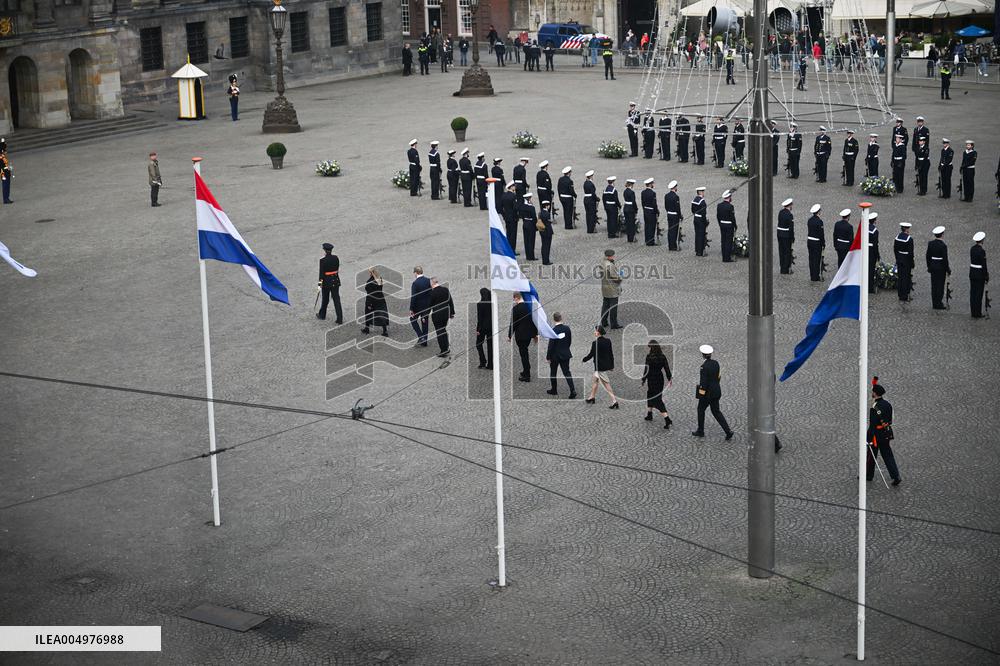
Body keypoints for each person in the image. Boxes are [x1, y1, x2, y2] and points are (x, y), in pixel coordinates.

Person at [692, 344, 734, 440]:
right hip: (716, 391)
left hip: (708, 394)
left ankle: (700, 430)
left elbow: (703, 383)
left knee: (700, 410)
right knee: (716, 412)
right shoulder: (716, 363)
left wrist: (701, 395)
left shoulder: (703, 367)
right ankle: (728, 431)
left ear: (703, 354)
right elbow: (719, 376)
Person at [866, 382, 901, 485]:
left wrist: (869, 437)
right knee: (888, 455)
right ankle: (896, 476)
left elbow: (872, 424)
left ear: (875, 393)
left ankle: (868, 475)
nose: (872, 393)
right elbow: (890, 420)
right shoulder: (888, 404)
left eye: (873, 392)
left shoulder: (874, 407)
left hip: (876, 434)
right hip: (885, 433)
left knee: (871, 455)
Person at [582, 326, 618, 408]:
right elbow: (611, 354)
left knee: (606, 384)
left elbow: (591, 354)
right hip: (603, 366)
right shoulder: (608, 341)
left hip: (599, 368)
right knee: (595, 381)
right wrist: (612, 365)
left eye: (595, 331)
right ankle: (592, 397)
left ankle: (614, 401)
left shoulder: (595, 343)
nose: (594, 332)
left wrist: (584, 359)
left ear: (598, 332)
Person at [641, 340, 673, 427]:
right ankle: (649, 413)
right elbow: (667, 368)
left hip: (652, 379)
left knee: (656, 399)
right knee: (651, 395)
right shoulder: (662, 356)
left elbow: (646, 370)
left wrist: (643, 379)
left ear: (651, 348)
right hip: (659, 378)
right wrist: (669, 379)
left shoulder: (649, 357)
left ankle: (667, 419)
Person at [508, 292, 538, 381]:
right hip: (528, 335)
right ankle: (525, 371)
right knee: (525, 353)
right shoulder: (529, 307)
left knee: (524, 355)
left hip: (520, 336)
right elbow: (534, 321)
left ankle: (527, 374)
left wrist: (509, 335)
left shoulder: (515, 309)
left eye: (514, 299)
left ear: (516, 298)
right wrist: (535, 335)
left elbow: (513, 323)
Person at [546, 313, 576, 398]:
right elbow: (569, 340)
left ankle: (554, 389)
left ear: (554, 319)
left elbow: (551, 346)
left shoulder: (553, 331)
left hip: (555, 356)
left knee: (553, 373)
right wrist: (566, 349)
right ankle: (572, 390)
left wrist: (548, 357)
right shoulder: (567, 329)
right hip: (565, 354)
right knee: (567, 372)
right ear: (561, 318)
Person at [428, 277, 455, 357]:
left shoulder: (432, 293)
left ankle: (443, 350)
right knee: (443, 330)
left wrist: (424, 315)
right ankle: (446, 347)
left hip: (437, 315)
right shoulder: (445, 290)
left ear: (432, 283)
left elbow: (429, 306)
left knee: (439, 332)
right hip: (445, 314)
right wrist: (452, 313)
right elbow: (450, 301)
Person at [317, 243, 343, 323]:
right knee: (336, 299)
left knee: (325, 299)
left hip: (326, 282)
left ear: (324, 250)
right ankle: (339, 318)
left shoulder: (322, 260)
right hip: (335, 280)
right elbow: (337, 269)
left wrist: (319, 286)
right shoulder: (336, 258)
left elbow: (321, 275)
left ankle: (322, 315)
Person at [926, 225, 950, 310]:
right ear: (942, 235)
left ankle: (934, 302)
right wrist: (948, 269)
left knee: (934, 285)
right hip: (940, 268)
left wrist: (929, 266)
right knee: (940, 286)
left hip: (933, 266)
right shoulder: (943, 246)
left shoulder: (931, 244)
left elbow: (927, 256)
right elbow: (945, 259)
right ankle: (938, 303)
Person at [409, 266, 432, 345]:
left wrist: (411, 308)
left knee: (412, 320)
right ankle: (425, 340)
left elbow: (414, 297)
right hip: (427, 306)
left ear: (416, 273)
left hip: (418, 307)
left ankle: (421, 336)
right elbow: (431, 293)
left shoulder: (415, 283)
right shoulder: (428, 280)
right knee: (425, 322)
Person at [362, 267, 388, 336]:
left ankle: (367, 329)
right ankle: (385, 331)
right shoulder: (380, 279)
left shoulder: (370, 281)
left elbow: (370, 293)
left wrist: (369, 304)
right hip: (380, 299)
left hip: (372, 300)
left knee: (368, 314)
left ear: (371, 273)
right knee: (382, 314)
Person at [600, 249, 622, 329]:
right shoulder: (610, 265)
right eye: (613, 255)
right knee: (613, 307)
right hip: (612, 289)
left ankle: (604, 321)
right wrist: (620, 278)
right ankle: (614, 324)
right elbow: (615, 277)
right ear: (610, 256)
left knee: (605, 305)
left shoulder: (602, 262)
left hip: (604, 287)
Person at [894, 222, 915, 301]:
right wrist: (912, 262)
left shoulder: (897, 238)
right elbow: (911, 253)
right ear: (906, 229)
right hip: (906, 260)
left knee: (900, 277)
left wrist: (897, 258)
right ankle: (905, 295)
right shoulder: (909, 239)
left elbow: (895, 250)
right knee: (906, 278)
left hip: (899, 259)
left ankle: (900, 294)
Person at [970, 231, 988, 318]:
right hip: (979, 274)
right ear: (982, 240)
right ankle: (977, 312)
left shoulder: (972, 249)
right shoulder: (982, 251)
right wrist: (986, 275)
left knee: (973, 293)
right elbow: (983, 265)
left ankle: (973, 311)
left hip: (972, 272)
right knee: (978, 294)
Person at [475, 288, 494, 369]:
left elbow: (480, 318)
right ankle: (490, 364)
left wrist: (478, 329)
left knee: (478, 344)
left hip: (483, 327)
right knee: (490, 346)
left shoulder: (480, 304)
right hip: (491, 327)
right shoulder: (492, 303)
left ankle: (482, 361)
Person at [806, 204, 825, 281]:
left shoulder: (809, 220)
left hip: (809, 241)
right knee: (816, 259)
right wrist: (823, 243)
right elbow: (821, 234)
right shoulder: (819, 221)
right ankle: (815, 276)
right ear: (818, 212)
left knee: (811, 258)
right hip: (817, 242)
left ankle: (812, 275)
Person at [717, 189, 736, 262]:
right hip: (729, 225)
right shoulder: (730, 206)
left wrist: (720, 223)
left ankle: (723, 256)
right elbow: (732, 218)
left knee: (723, 241)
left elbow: (718, 216)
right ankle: (727, 258)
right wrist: (735, 225)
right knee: (728, 241)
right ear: (729, 197)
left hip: (722, 224)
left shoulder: (719, 205)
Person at [777, 198, 794, 274]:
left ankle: (782, 268)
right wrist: (792, 237)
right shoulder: (789, 215)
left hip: (779, 234)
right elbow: (791, 228)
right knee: (787, 252)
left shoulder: (781, 212)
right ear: (789, 205)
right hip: (786, 235)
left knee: (781, 251)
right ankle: (785, 269)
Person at [519, 191, 539, 261]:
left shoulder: (522, 206)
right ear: (529, 199)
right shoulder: (532, 208)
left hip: (525, 223)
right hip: (531, 224)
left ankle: (528, 256)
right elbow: (534, 218)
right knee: (531, 241)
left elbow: (521, 216)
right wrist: (536, 227)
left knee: (526, 240)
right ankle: (531, 256)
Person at [501, 182, 519, 254]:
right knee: (513, 235)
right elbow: (515, 208)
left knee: (508, 233)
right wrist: (517, 216)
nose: (515, 187)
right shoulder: (513, 196)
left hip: (507, 218)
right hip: (513, 218)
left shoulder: (504, 195)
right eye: (514, 186)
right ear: (511, 187)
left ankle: (508, 249)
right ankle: (512, 250)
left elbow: (500, 207)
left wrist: (504, 215)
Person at [665, 179, 682, 250]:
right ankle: (673, 246)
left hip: (669, 214)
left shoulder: (666, 195)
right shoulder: (676, 196)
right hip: (675, 215)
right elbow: (678, 208)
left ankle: (670, 245)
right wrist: (680, 216)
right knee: (674, 231)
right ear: (674, 187)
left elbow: (666, 206)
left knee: (670, 230)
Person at [691, 186, 708, 257]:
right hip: (701, 219)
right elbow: (704, 213)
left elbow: (692, 210)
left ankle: (697, 250)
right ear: (700, 192)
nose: (704, 193)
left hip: (695, 218)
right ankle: (701, 251)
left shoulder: (694, 200)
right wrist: (705, 222)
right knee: (701, 235)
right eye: (703, 191)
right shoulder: (702, 201)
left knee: (697, 235)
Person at [641, 178, 659, 246]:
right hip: (651, 211)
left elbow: (642, 202)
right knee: (652, 226)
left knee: (647, 226)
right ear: (650, 184)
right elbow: (654, 204)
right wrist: (657, 211)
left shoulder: (643, 192)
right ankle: (651, 241)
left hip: (646, 210)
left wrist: (644, 210)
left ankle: (647, 240)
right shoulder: (653, 193)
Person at [867, 212, 880, 294]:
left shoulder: (864, 228)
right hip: (871, 252)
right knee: (871, 270)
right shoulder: (875, 231)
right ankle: (870, 288)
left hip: (865, 250)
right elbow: (875, 245)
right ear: (874, 221)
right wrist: (878, 255)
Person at [539, 200, 555, 265]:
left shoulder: (540, 213)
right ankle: (546, 260)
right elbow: (548, 223)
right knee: (547, 246)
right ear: (546, 206)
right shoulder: (547, 214)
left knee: (543, 246)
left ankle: (544, 259)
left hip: (542, 231)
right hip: (547, 232)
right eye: (548, 205)